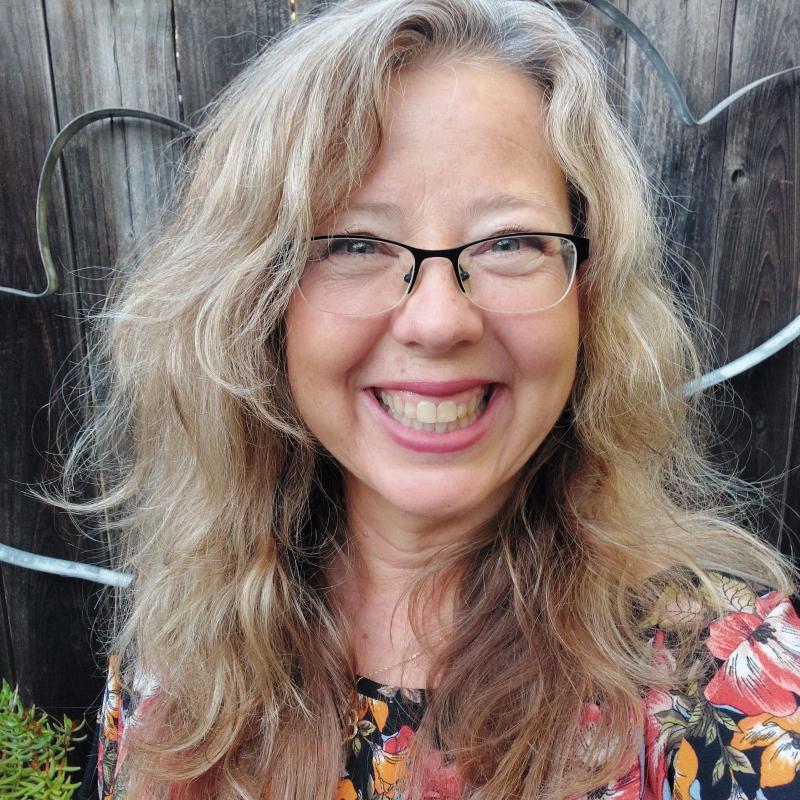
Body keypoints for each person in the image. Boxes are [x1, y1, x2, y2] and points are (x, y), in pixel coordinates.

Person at [39, 0, 800, 798]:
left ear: (591, 297)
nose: (438, 320)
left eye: (510, 241)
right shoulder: (187, 648)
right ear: (259, 305)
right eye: (354, 243)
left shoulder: (723, 686)